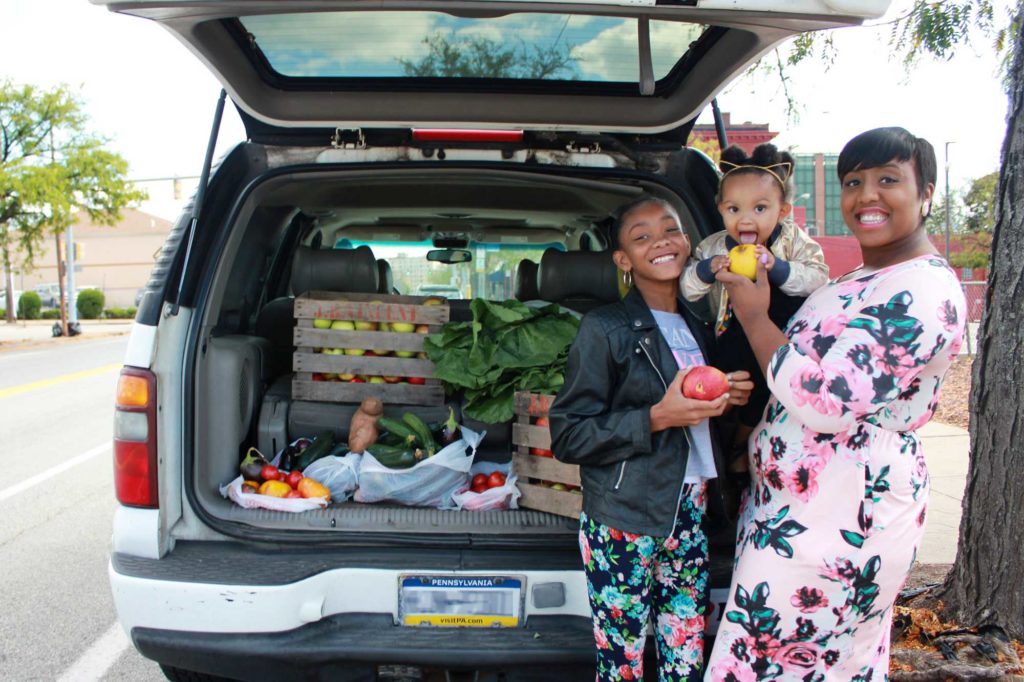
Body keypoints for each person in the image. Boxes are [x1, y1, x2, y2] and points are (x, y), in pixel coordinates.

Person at [705, 127, 967, 680]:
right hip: (795, 513)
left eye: (888, 180)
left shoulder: (921, 290)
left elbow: (826, 402)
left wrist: (753, 316)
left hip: (845, 516)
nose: (867, 195)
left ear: (926, 194)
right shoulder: (859, 279)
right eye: (853, 182)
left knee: (789, 663)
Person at [549, 195, 754, 681]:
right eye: (642, 237)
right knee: (621, 663)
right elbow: (569, 435)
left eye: (670, 230)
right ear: (623, 260)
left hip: (691, 511)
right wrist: (657, 417)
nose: (660, 242)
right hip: (624, 517)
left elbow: (701, 425)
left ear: (687, 241)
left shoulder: (701, 326)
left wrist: (728, 400)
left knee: (685, 656)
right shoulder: (605, 329)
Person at [682, 144, 829, 465]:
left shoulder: (793, 241)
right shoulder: (713, 247)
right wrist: (707, 270)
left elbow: (818, 278)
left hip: (782, 335)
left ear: (783, 211)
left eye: (760, 209)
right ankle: (725, 449)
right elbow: (687, 289)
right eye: (734, 209)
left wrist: (778, 268)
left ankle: (743, 445)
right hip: (732, 333)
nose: (746, 219)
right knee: (729, 388)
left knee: (768, 392)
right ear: (720, 209)